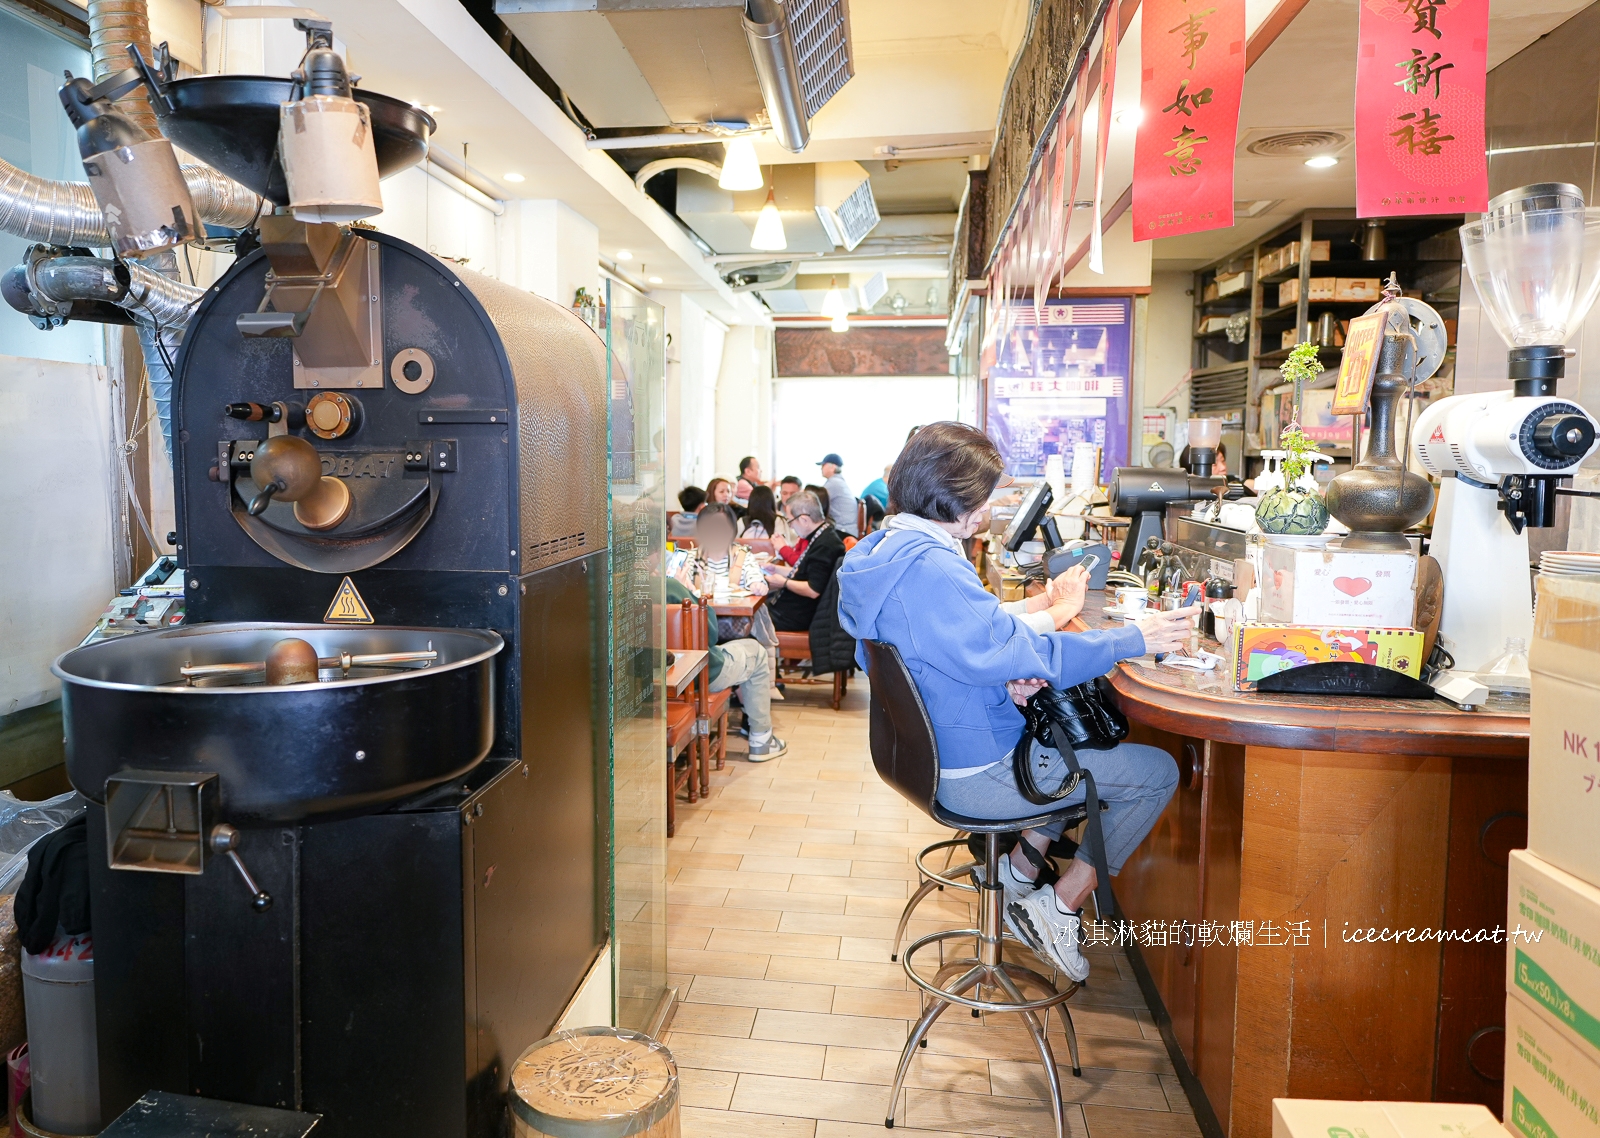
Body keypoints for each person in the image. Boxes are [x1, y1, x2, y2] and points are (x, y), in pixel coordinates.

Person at [836, 421, 1193, 983]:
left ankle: (1020, 873)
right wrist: (1135, 639)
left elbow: (956, 640)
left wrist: (995, 677)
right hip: (976, 772)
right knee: (1156, 772)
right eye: (979, 501)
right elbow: (1034, 655)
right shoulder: (934, 566)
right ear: (951, 496)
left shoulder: (887, 552)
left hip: (925, 757)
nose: (983, 515)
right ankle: (1061, 904)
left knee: (1062, 739)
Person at [664, 566, 785, 763]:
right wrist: (689, 589)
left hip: (652, 683)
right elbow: (710, 635)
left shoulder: (612, 592)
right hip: (696, 675)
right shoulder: (669, 585)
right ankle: (762, 739)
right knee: (756, 651)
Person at [762, 491, 846, 632]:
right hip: (793, 610)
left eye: (790, 521)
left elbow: (813, 590)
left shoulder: (825, 545)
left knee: (750, 619)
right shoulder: (823, 535)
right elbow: (804, 572)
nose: (791, 527)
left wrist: (783, 582)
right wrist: (776, 569)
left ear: (804, 520)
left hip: (795, 617)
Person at [673, 504, 767, 597]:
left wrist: (757, 586)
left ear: (732, 530)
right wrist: (684, 585)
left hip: (736, 611)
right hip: (703, 610)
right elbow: (682, 580)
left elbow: (755, 578)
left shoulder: (743, 555)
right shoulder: (691, 557)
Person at [817, 453, 858, 536]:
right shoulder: (838, 481)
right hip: (847, 529)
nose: (821, 468)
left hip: (843, 531)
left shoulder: (834, 483)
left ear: (832, 467)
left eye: (823, 465)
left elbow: (816, 502)